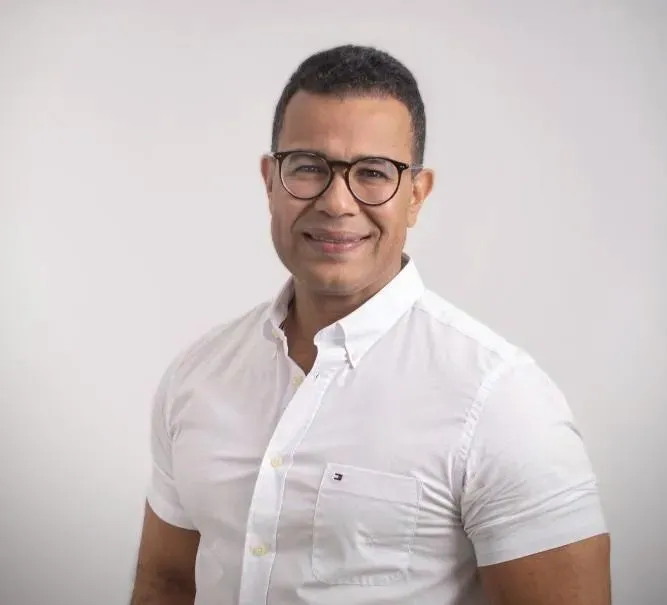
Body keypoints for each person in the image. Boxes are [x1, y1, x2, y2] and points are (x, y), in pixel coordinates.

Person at [130, 44, 611, 605]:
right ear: (270, 181)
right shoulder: (198, 376)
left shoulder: (502, 401)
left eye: (373, 173)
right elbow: (165, 584)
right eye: (308, 167)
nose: (337, 202)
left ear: (416, 196)